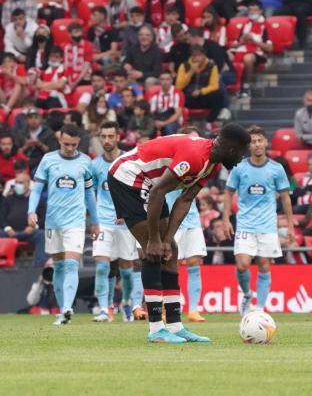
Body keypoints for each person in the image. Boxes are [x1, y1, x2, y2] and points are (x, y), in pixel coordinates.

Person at [108, 123, 251, 343]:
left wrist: (166, 239)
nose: (242, 158)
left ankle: (174, 326)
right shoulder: (194, 156)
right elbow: (158, 192)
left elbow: (185, 200)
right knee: (152, 251)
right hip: (128, 178)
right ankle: (156, 329)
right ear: (231, 148)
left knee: (171, 250)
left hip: (151, 186)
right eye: (242, 153)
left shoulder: (211, 163)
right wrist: (155, 239)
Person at [27, 124, 99, 325]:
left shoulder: (85, 162)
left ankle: (67, 307)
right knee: (58, 266)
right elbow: (36, 189)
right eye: (66, 144)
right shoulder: (48, 160)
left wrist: (95, 221)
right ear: (59, 140)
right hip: (53, 222)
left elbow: (89, 194)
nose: (70, 148)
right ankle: (62, 311)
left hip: (75, 222)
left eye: (74, 145)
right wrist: (31, 211)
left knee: (70, 264)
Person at [223, 125, 293, 316]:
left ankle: (260, 309)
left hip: (268, 227)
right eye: (253, 141)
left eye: (260, 140)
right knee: (242, 264)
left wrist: (291, 224)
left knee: (264, 264)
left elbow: (285, 197)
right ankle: (246, 294)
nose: (257, 145)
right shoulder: (239, 167)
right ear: (248, 145)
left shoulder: (276, 169)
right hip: (245, 224)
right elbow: (228, 193)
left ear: (266, 142)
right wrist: (226, 219)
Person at [90, 121, 142, 322]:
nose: (107, 140)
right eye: (103, 137)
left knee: (126, 270)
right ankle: (105, 308)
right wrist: (93, 221)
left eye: (111, 136)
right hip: (103, 222)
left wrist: (128, 212)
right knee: (103, 266)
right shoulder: (94, 165)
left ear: (118, 137)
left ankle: (127, 303)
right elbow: (91, 194)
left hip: (126, 222)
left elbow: (137, 191)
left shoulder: (129, 161)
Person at [165, 127, 207, 323]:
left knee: (194, 262)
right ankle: (170, 305)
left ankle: (194, 310)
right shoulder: (174, 163)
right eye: (192, 141)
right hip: (173, 221)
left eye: (198, 141)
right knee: (171, 263)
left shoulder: (202, 165)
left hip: (192, 219)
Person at [232, 1, 273, 95]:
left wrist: (253, 41)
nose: (252, 12)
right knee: (228, 55)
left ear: (260, 11)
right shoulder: (246, 24)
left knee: (248, 58)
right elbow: (235, 44)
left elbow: (269, 48)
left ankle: (246, 86)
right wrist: (241, 42)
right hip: (242, 49)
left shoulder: (266, 25)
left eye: (255, 10)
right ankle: (232, 84)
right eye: (250, 10)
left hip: (259, 53)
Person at [175, 46, 223, 126]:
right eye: (194, 56)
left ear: (204, 55)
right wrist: (190, 72)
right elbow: (178, 86)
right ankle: (182, 121)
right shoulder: (184, 65)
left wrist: (201, 91)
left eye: (199, 56)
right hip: (188, 97)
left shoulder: (211, 66)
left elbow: (214, 86)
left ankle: (209, 122)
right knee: (178, 95)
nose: (197, 59)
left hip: (204, 97)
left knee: (218, 94)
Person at [150, 70, 184, 136]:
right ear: (159, 81)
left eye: (168, 79)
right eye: (162, 79)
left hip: (173, 121)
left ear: (172, 80)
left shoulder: (178, 93)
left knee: (169, 127)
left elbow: (177, 114)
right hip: (158, 120)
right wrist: (155, 122)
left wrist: (163, 123)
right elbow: (151, 114)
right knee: (148, 127)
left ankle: (171, 146)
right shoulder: (155, 96)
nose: (165, 82)